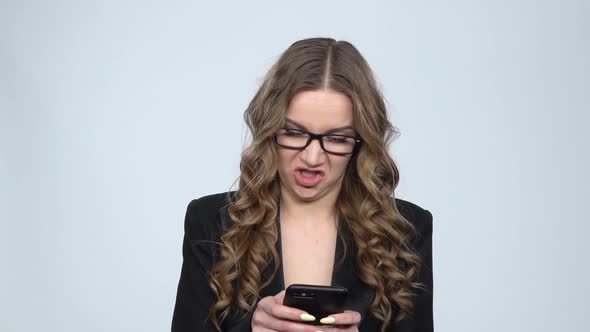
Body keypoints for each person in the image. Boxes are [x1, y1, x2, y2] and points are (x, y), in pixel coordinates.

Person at [171, 37, 433, 332]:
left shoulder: (406, 229)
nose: (312, 157)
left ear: (361, 143)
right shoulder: (210, 222)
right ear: (270, 129)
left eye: (336, 138)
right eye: (294, 133)